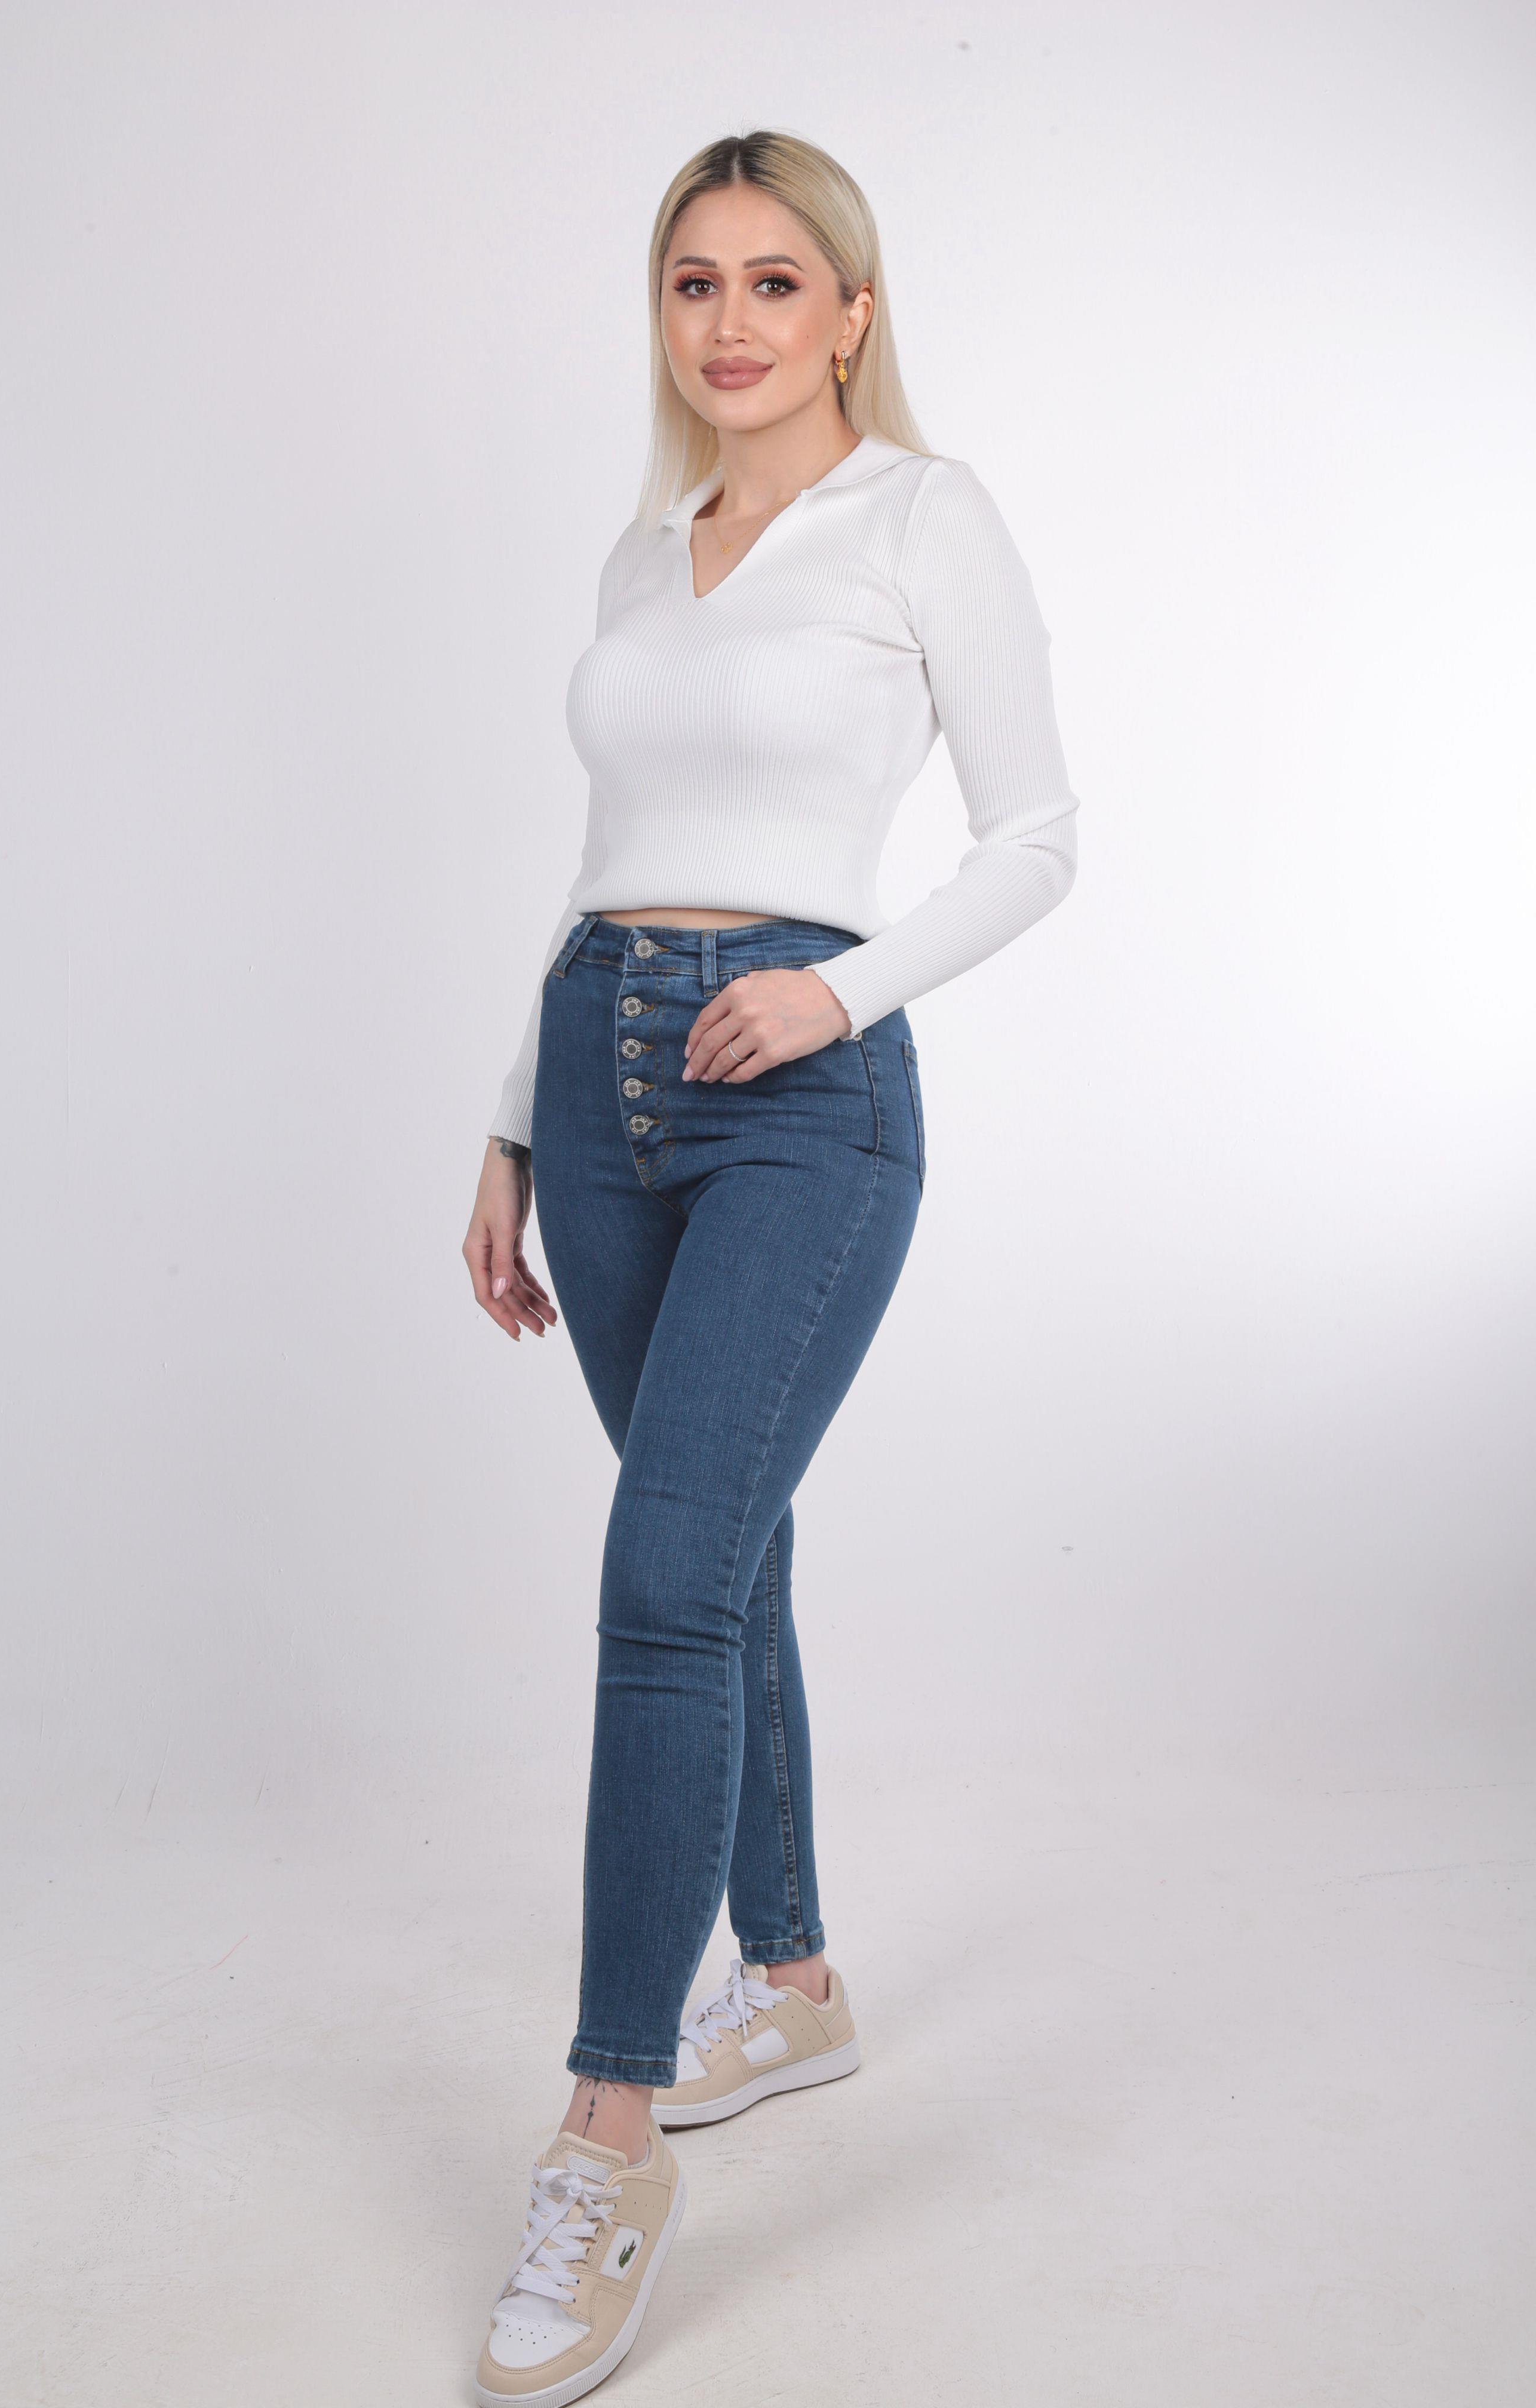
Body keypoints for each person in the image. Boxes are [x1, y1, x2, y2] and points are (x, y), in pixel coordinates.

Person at [461, 128, 1079, 2406]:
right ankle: (793, 1982)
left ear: (851, 313)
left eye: (774, 282)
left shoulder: (924, 517)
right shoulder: (645, 555)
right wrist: (513, 1118)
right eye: (693, 283)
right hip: (598, 1076)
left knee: (663, 1579)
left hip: (801, 1096)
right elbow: (602, 850)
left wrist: (840, 990)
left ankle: (610, 2133)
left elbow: (1037, 837)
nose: (729, 323)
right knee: (729, 1557)